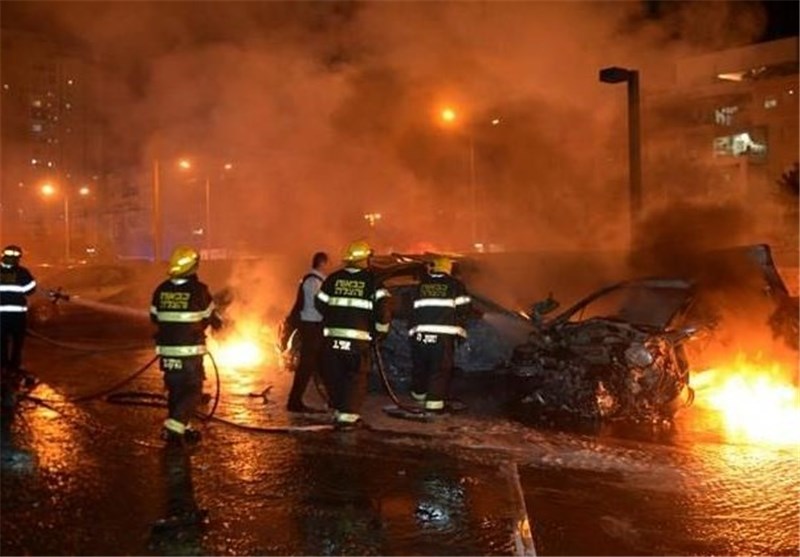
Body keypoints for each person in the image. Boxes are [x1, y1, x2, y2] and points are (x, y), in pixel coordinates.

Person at [150, 246, 223, 446]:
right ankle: (173, 426)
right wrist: (218, 322)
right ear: (192, 268)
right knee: (193, 391)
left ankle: (184, 427)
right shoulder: (199, 290)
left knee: (175, 390)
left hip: (166, 352)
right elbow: (212, 318)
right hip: (189, 352)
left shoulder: (161, 289)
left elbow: (154, 317)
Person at [315, 240, 390, 429]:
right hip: (358, 340)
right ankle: (348, 417)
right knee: (355, 377)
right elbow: (383, 310)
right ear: (365, 259)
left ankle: (339, 409)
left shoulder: (333, 279)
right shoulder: (373, 281)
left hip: (332, 338)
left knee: (335, 374)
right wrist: (381, 331)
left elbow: (320, 304)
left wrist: (335, 316)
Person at [408, 255, 471, 413]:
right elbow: (464, 309)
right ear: (448, 269)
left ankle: (419, 396)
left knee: (421, 366)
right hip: (443, 336)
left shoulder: (421, 285)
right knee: (439, 369)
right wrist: (460, 330)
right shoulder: (455, 285)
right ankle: (434, 404)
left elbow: (410, 310)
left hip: (420, 335)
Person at [286, 251, 330, 413]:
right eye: (327, 263)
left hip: (312, 326)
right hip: (312, 326)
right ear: (322, 263)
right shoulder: (314, 281)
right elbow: (319, 304)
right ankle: (294, 402)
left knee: (322, 364)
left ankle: (334, 400)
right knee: (306, 366)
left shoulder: (312, 280)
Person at [0, 245, 37, 375]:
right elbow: (31, 290)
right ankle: (13, 368)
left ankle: (3, 367)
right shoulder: (22, 272)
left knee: (1, 342)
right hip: (17, 316)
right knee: (17, 343)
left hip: (1, 316)